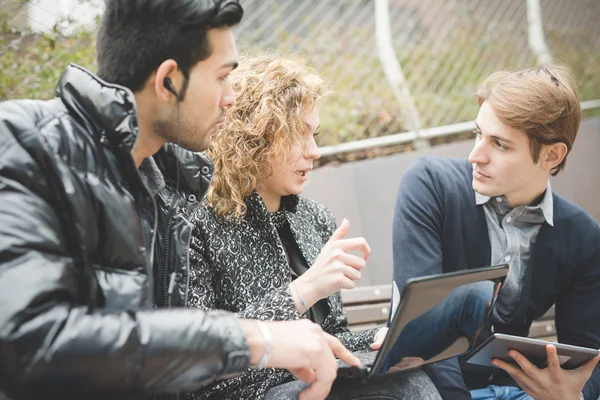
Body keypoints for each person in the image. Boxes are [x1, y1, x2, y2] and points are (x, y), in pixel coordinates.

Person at [0, 2, 360, 399]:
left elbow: (162, 364)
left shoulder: (166, 183)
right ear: (169, 80)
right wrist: (257, 338)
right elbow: (27, 340)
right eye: (223, 77)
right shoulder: (23, 141)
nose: (230, 99)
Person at [184, 55, 442, 400]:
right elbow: (198, 364)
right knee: (404, 389)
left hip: (320, 381)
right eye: (299, 135)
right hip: (249, 393)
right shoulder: (196, 222)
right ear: (254, 138)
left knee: (411, 378)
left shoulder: (315, 218)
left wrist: (383, 340)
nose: (315, 151)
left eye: (314, 134)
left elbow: (331, 336)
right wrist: (305, 289)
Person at [390, 66, 600, 400]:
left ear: (552, 155)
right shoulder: (430, 186)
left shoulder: (582, 236)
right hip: (434, 388)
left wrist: (574, 395)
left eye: (499, 145)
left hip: (517, 390)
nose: (476, 155)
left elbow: (589, 358)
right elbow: (424, 331)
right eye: (478, 134)